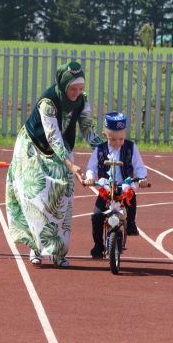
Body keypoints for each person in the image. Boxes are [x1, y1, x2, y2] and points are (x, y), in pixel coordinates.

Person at [6, 61, 104, 268]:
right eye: (73, 88)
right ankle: (36, 249)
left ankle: (59, 253)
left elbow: (88, 131)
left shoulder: (81, 101)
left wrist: (109, 146)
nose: (77, 93)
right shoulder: (48, 102)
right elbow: (53, 138)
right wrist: (70, 165)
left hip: (62, 152)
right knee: (37, 200)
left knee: (63, 201)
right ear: (63, 85)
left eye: (81, 88)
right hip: (34, 149)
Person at [83, 112, 148, 258]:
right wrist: (89, 178)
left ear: (125, 134)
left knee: (130, 197)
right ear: (105, 135)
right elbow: (91, 168)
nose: (117, 143)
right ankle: (98, 245)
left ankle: (131, 223)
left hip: (124, 186)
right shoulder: (100, 150)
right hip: (106, 187)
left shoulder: (131, 148)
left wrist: (142, 177)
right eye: (113, 139)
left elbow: (139, 166)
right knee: (97, 215)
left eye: (121, 139)